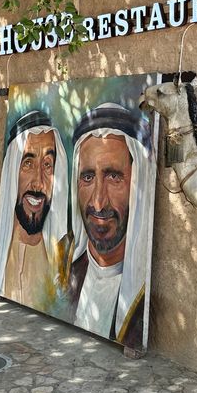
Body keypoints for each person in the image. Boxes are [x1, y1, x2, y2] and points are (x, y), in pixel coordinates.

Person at [65, 103, 154, 348]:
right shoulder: (65, 273)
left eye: (114, 177)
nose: (98, 202)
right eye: (87, 177)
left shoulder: (143, 297)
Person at [0, 110, 69, 310]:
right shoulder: (4, 254)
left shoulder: (66, 263)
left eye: (47, 165)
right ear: (13, 171)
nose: (38, 182)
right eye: (28, 163)